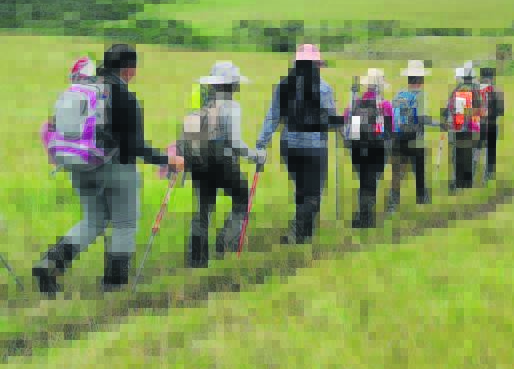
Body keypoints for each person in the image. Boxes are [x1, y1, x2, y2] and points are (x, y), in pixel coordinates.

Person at [32, 45, 184, 294]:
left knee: (93, 220)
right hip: (116, 168)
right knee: (125, 223)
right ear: (129, 69)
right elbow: (135, 146)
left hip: (79, 165)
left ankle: (50, 263)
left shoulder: (87, 88)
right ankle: (114, 285)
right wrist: (168, 160)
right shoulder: (125, 97)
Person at [255, 44, 340, 245]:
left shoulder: (284, 85)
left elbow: (273, 116)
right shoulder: (324, 88)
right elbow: (332, 120)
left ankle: (304, 234)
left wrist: (261, 143)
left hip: (288, 146)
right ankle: (296, 233)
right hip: (314, 147)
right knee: (313, 194)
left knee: (302, 189)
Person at [180, 61, 262, 268]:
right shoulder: (231, 107)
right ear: (232, 84)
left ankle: (196, 260)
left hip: (199, 162)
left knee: (203, 210)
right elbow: (235, 142)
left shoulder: (201, 103)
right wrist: (256, 156)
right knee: (242, 198)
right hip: (222, 163)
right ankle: (225, 243)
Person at [343, 68, 394, 229]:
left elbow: (346, 124)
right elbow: (390, 129)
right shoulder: (385, 105)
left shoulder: (355, 103)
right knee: (371, 182)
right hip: (377, 148)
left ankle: (362, 214)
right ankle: (365, 218)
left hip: (357, 149)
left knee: (364, 180)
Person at [388, 60, 440, 211]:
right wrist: (439, 123)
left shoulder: (398, 94)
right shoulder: (421, 95)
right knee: (419, 171)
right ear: (421, 79)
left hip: (397, 138)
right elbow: (422, 118)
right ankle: (422, 203)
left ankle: (393, 205)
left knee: (397, 173)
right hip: (415, 139)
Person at [443, 61, 485, 193]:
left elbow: (450, 108)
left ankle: (457, 181)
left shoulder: (458, 89)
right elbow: (482, 110)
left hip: (459, 126)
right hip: (474, 126)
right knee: (471, 154)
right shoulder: (477, 89)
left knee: (458, 155)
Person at [478, 67, 504, 183]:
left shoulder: (475, 89)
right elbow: (501, 110)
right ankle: (487, 176)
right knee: (490, 150)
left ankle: (473, 171)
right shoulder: (498, 90)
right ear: (492, 77)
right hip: (492, 124)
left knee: (477, 149)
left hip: (477, 125)